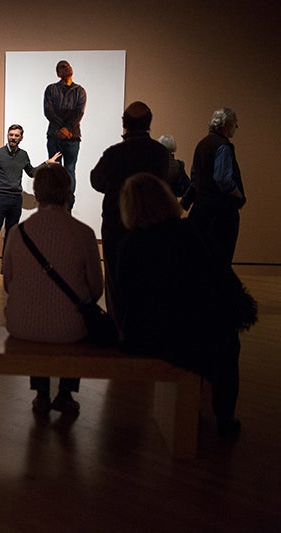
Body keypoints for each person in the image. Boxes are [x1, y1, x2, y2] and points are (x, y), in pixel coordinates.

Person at [117, 173, 255, 438]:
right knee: (227, 347)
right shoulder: (191, 234)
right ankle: (225, 418)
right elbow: (218, 280)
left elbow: (128, 298)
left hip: (149, 335)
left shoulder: (130, 246)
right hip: (194, 332)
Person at [3, 164, 103, 414]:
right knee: (79, 319)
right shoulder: (84, 233)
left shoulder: (17, 233)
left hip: (21, 324)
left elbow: (7, 283)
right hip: (70, 328)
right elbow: (96, 289)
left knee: (38, 316)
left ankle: (42, 394)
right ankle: (65, 394)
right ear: (67, 191)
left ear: (36, 192)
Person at [90, 101, 169, 324]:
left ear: (125, 122)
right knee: (147, 276)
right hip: (151, 224)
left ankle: (119, 325)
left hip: (116, 223)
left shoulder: (115, 153)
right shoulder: (160, 153)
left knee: (116, 278)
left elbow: (96, 180)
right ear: (149, 123)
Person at [0, 124, 59, 256]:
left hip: (16, 200)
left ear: (21, 138)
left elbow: (32, 172)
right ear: (7, 135)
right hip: (0, 198)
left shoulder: (23, 155)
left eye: (16, 135)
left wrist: (47, 163)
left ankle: (6, 267)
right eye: (11, 135)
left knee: (11, 236)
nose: (13, 138)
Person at [187, 108, 245, 265]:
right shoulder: (223, 146)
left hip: (200, 210)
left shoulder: (201, 144)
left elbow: (194, 176)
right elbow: (223, 179)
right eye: (234, 123)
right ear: (226, 125)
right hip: (221, 213)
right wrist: (239, 195)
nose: (236, 127)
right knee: (221, 259)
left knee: (200, 259)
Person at [43, 60, 86, 209]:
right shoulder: (51, 89)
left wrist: (67, 128)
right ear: (58, 73)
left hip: (72, 137)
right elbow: (48, 111)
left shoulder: (79, 91)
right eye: (61, 67)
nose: (65, 68)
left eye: (67, 66)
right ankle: (54, 204)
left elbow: (79, 113)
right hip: (55, 135)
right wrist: (62, 128)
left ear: (71, 69)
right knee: (54, 170)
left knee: (69, 170)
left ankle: (68, 205)